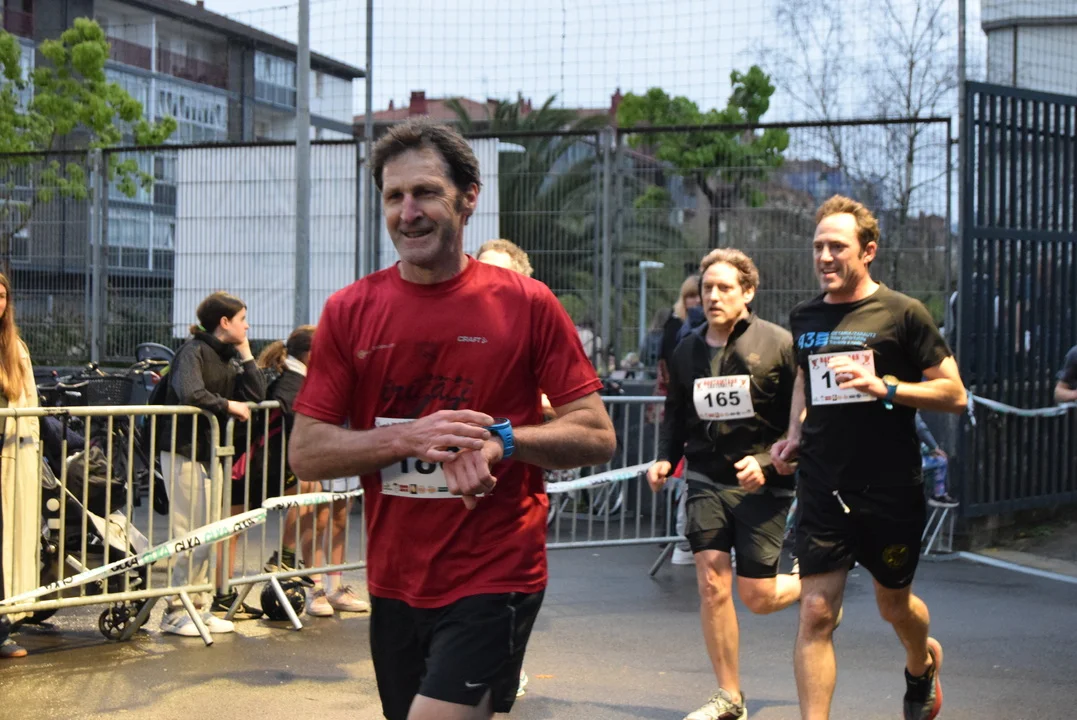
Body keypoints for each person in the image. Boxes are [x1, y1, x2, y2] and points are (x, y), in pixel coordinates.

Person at [288, 118, 616, 720]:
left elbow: (596, 434)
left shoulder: (527, 304)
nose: (408, 212)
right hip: (395, 579)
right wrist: (408, 437)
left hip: (497, 570)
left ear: (469, 198)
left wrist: (502, 442)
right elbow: (307, 451)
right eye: (394, 196)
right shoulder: (349, 311)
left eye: (426, 193)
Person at [770, 195, 968, 720]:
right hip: (823, 483)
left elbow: (955, 394)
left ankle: (921, 661)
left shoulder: (904, 313)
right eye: (818, 246)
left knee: (893, 605)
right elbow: (804, 378)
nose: (825, 257)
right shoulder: (805, 316)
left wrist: (886, 387)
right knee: (816, 611)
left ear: (868, 251)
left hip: (889, 487)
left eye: (837, 246)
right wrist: (793, 434)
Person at [649, 249, 801, 720]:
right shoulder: (686, 349)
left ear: (748, 292)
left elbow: (800, 422)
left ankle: (812, 584)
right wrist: (665, 459)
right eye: (707, 287)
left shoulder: (779, 344)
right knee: (713, 583)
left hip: (763, 483)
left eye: (725, 288)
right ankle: (730, 695)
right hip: (705, 479)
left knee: (757, 597)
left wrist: (767, 463)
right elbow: (676, 415)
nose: (713, 296)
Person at [157, 291, 267, 637]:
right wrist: (228, 405)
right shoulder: (192, 351)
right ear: (224, 322)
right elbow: (190, 392)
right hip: (183, 449)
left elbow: (256, 395)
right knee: (188, 531)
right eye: (242, 320)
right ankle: (176, 611)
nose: (247, 326)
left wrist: (247, 354)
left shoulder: (228, 355)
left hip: (210, 451)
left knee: (209, 531)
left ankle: (199, 607)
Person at [250, 326, 369, 617]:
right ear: (312, 353)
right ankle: (315, 587)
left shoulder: (335, 370)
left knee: (339, 519)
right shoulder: (293, 380)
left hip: (344, 451)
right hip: (318, 456)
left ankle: (335, 587)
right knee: (318, 521)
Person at [0, 274, 40, 659]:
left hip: (8, 457)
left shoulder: (15, 349)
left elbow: (30, 407)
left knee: (4, 545)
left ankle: (1, 631)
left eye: (1, 296)